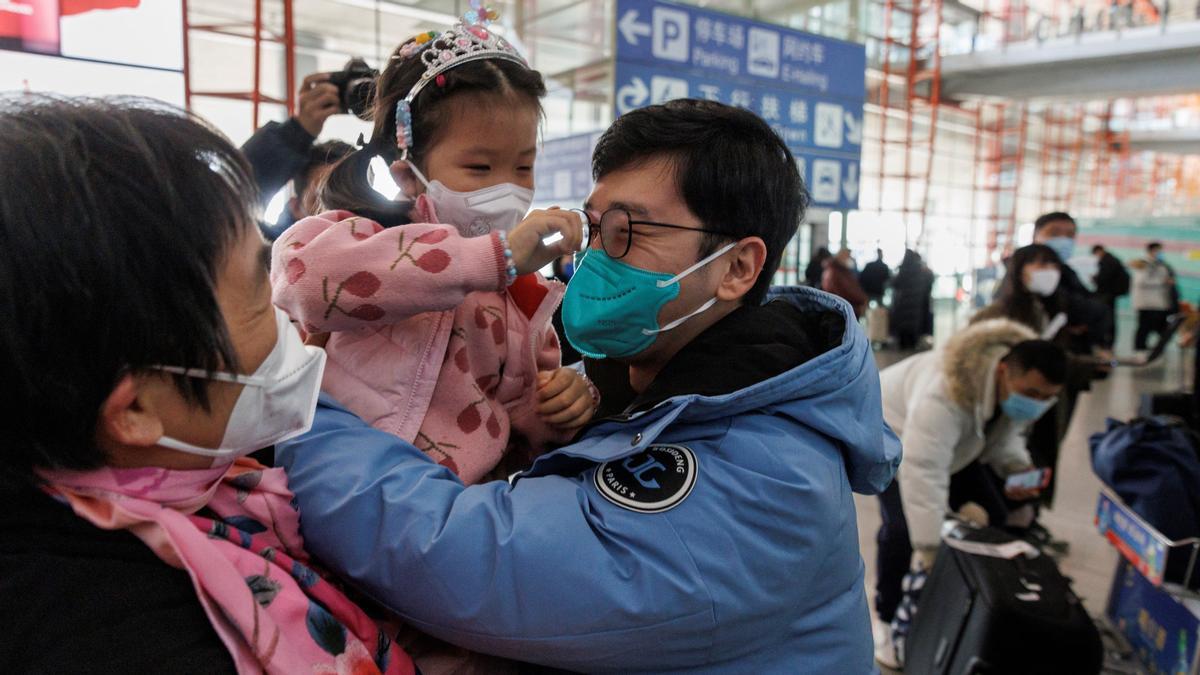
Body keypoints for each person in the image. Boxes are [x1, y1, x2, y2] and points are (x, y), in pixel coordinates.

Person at [275, 98, 901, 673]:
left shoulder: (765, 477)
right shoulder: (642, 392)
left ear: (737, 267)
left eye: (628, 233)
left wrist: (306, 407)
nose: (597, 258)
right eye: (595, 229)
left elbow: (466, 561)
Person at [0, 95, 414, 674]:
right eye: (254, 294)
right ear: (137, 409)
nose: (285, 319)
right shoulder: (118, 638)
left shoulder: (206, 477)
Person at [271, 17, 593, 489]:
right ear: (408, 176)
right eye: (479, 167)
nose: (507, 187)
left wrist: (561, 406)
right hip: (327, 483)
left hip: (442, 512)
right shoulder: (359, 237)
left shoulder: (523, 300)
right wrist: (491, 257)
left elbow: (518, 427)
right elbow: (306, 283)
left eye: (524, 165)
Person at [873, 324, 1066, 669]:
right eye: (1032, 393)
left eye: (1045, 398)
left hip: (954, 448)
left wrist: (1017, 468)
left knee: (996, 516)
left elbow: (1004, 434)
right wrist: (929, 547)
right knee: (905, 535)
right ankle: (889, 623)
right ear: (1005, 370)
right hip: (893, 438)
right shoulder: (945, 392)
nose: (1036, 404)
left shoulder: (1009, 385)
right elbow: (923, 467)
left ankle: (972, 602)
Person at [973, 243, 1107, 509]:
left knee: (1031, 462)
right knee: (996, 461)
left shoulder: (1052, 310)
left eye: (1053, 265)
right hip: (1005, 403)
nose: (1049, 272)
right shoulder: (998, 314)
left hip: (1042, 407)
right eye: (1040, 264)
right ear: (1019, 270)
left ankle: (1026, 518)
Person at [241, 73, 341, 231]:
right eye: (320, 201)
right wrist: (296, 132)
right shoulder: (272, 253)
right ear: (295, 208)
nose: (337, 214)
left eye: (348, 194)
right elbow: (230, 205)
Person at [1131, 241, 1178, 352]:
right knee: (1144, 326)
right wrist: (1163, 281)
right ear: (1152, 250)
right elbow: (1140, 281)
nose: (1161, 253)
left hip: (1158, 302)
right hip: (1146, 302)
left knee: (1160, 326)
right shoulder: (1142, 263)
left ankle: (1157, 347)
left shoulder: (1160, 264)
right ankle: (1140, 348)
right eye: (1159, 250)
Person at [890, 249, 935, 350]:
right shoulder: (921, 271)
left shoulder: (903, 271)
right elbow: (929, 282)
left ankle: (904, 346)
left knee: (903, 328)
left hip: (903, 306)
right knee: (913, 329)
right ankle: (912, 346)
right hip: (916, 307)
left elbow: (893, 283)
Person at [1092, 244, 1130, 346]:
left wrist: (1096, 279)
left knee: (1106, 317)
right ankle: (1108, 340)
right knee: (1110, 316)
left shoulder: (1107, 261)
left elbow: (1104, 277)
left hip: (1107, 294)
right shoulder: (1113, 259)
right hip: (1112, 294)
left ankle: (1107, 341)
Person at [823, 248, 870, 318]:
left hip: (846, 309)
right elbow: (847, 291)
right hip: (843, 311)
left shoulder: (841, 271)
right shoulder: (835, 272)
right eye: (848, 256)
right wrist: (863, 300)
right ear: (842, 257)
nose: (851, 259)